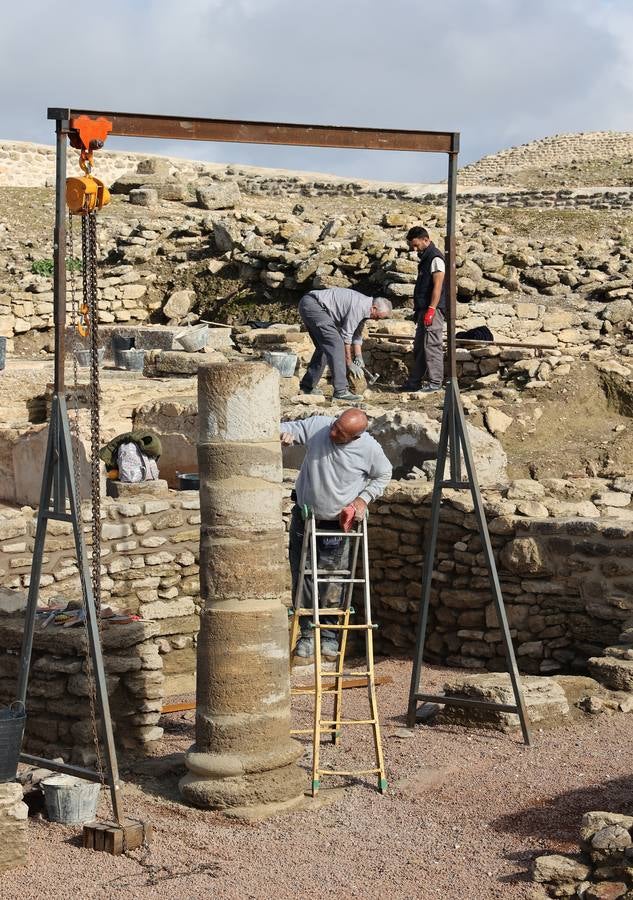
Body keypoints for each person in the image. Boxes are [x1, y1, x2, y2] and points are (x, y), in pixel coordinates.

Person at [280, 409, 392, 664]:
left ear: (356, 436)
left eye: (340, 433)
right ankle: (308, 635)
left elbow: (384, 474)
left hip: (337, 525)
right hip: (306, 518)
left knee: (333, 578)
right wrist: (282, 436)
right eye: (334, 426)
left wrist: (363, 500)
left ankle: (329, 636)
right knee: (304, 574)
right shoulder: (320, 426)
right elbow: (285, 429)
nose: (332, 432)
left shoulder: (369, 449)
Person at [298, 288, 392, 402]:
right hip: (314, 306)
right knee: (336, 344)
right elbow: (346, 336)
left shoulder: (365, 308)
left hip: (309, 304)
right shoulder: (360, 307)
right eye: (377, 317)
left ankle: (307, 387)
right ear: (374, 308)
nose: (376, 320)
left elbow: (357, 334)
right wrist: (349, 362)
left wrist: (358, 356)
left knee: (324, 348)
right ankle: (341, 391)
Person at [402, 226, 446, 393]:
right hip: (423, 309)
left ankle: (435, 382)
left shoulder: (435, 258)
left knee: (432, 345)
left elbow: (438, 286)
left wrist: (431, 309)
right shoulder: (426, 258)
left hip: (432, 309)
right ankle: (415, 381)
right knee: (420, 346)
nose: (414, 249)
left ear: (426, 240)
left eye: (416, 245)